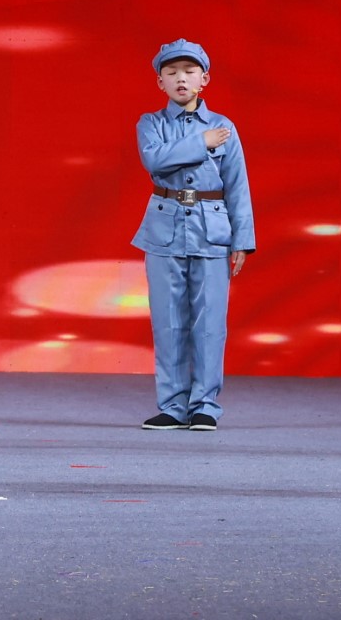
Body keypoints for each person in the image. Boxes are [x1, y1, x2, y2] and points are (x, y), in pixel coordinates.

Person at [132, 39, 254, 432]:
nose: (180, 79)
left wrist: (242, 240)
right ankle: (172, 405)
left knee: (210, 322)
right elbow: (154, 159)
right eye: (171, 73)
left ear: (205, 79)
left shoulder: (224, 127)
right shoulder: (151, 123)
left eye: (189, 71)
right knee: (168, 321)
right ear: (160, 82)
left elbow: (237, 185)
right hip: (163, 229)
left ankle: (205, 405)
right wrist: (201, 142)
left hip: (211, 230)